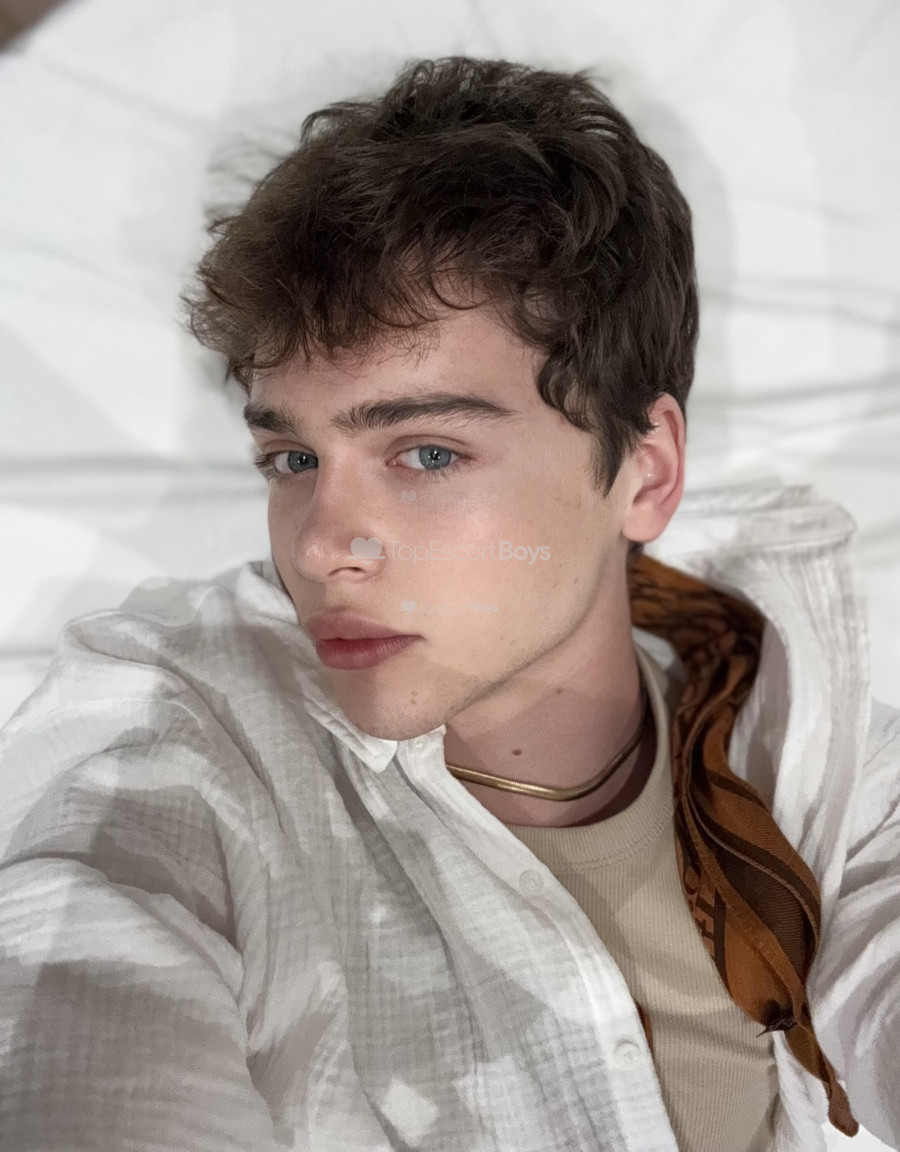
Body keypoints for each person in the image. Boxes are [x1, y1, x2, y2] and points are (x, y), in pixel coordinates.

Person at [0, 56, 897, 1152]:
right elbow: (74, 985)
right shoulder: (182, 735)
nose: (320, 545)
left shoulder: (812, 745)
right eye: (291, 459)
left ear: (645, 470)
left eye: (426, 452)